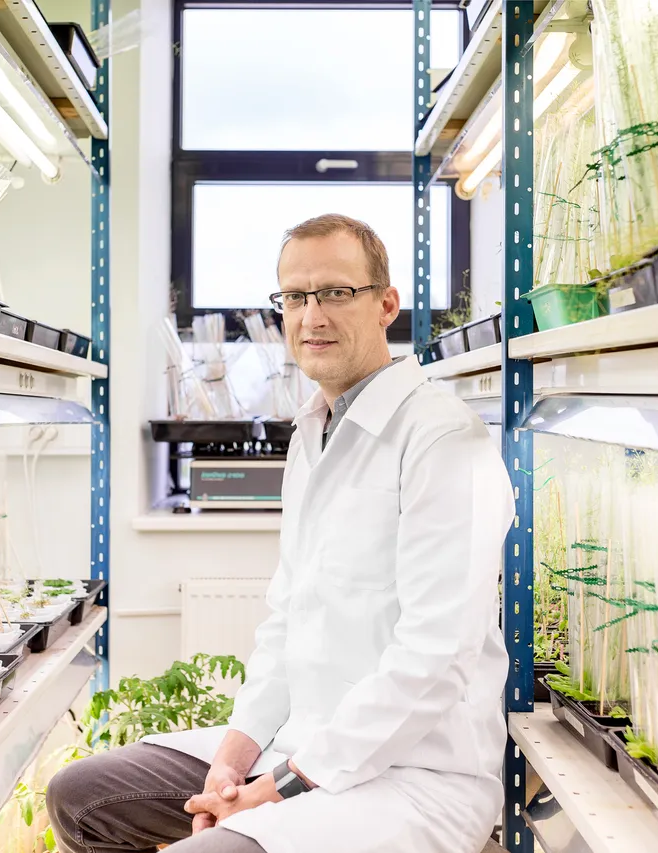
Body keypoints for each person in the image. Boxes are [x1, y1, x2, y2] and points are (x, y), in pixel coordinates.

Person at [46, 214, 514, 853]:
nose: (311, 315)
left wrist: (280, 788)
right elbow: (287, 617)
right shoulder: (313, 431)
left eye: (335, 293)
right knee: (83, 797)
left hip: (415, 773)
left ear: (386, 305)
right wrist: (233, 760)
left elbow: (436, 656)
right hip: (298, 742)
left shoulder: (443, 438)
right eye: (295, 297)